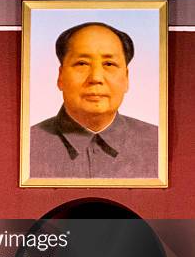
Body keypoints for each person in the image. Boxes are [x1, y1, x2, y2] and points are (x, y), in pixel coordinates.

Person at [30, 22, 158, 179]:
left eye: (109, 64)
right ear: (60, 76)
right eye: (82, 63)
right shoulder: (28, 144)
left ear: (126, 78)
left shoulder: (158, 144)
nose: (96, 78)